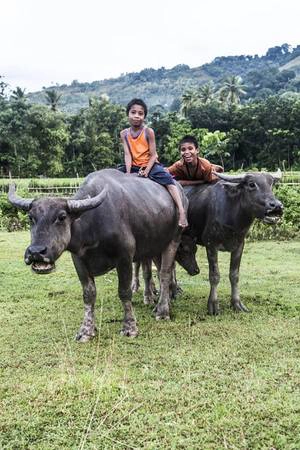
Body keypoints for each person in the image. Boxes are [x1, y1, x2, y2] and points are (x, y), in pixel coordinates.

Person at [119, 98, 188, 227]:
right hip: (133, 166)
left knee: (169, 181)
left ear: (144, 116)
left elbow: (153, 155)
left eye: (140, 113)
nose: (136, 116)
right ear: (128, 114)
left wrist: (146, 171)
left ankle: (181, 211)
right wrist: (127, 174)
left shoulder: (148, 132)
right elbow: (127, 155)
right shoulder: (124, 134)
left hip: (150, 164)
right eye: (133, 112)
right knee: (114, 175)